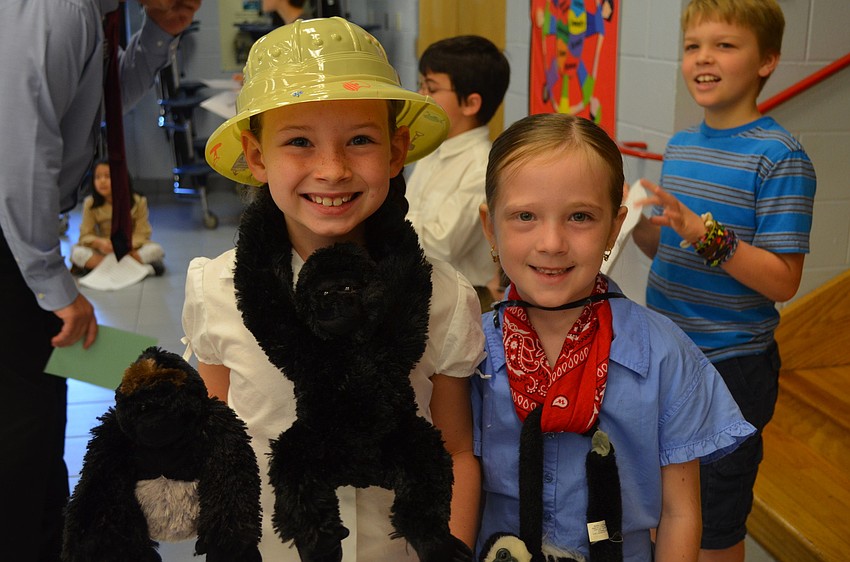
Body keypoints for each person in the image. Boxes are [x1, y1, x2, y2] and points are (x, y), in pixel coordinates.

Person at [183, 17, 485, 560]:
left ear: (395, 153)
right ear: (257, 157)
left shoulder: (443, 296)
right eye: (299, 141)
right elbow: (217, 439)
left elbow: (456, 450)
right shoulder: (215, 289)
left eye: (360, 141)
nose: (332, 169)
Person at [472, 113, 756, 562]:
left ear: (614, 227)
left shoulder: (665, 355)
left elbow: (680, 513)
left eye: (580, 217)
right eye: (525, 216)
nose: (552, 242)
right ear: (490, 227)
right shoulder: (469, 353)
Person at [0, 1, 200, 559]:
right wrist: (52, 285)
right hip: (10, 229)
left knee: (40, 407)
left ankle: (51, 539)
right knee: (27, 415)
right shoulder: (56, 10)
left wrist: (160, 33)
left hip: (20, 225)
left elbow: (100, 99)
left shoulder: (93, 9)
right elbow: (19, 155)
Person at [630, 2, 816, 561]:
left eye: (725, 45)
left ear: (768, 60)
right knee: (668, 506)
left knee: (713, 523)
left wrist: (704, 234)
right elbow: (665, 248)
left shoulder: (780, 157)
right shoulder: (682, 145)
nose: (704, 58)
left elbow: (783, 281)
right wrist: (636, 226)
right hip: (668, 352)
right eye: (693, 46)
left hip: (731, 366)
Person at [406, 35, 510, 311]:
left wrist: (385, 217)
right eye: (421, 84)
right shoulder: (434, 149)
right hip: (421, 287)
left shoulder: (482, 165)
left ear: (471, 104)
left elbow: (441, 246)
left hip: (461, 302)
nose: (421, 96)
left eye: (432, 87)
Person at [70, 160, 166, 277]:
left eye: (108, 176)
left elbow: (143, 233)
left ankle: (103, 269)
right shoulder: (90, 203)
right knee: (77, 253)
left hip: (130, 250)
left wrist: (126, 246)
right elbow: (85, 235)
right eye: (97, 177)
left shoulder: (138, 201)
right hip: (104, 251)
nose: (102, 181)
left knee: (156, 250)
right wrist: (100, 243)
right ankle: (137, 269)